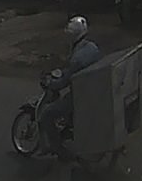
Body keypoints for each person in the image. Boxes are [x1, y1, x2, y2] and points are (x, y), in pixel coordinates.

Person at [38, 16, 103, 157]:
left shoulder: (77, 58)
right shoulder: (92, 47)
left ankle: (59, 150)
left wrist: (51, 83)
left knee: (47, 115)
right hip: (95, 89)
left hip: (80, 95)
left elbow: (64, 82)